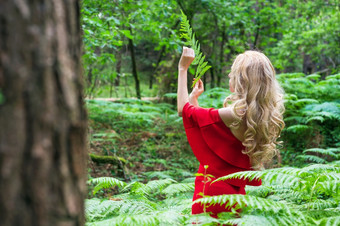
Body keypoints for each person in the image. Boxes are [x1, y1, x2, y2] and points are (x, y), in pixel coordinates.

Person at [177, 47, 285, 217]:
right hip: (234, 194)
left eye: (232, 72)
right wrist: (194, 99)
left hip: (212, 193)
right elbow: (209, 131)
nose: (229, 76)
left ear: (242, 80)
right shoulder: (256, 115)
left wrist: (183, 68)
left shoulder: (234, 114)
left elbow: (184, 111)